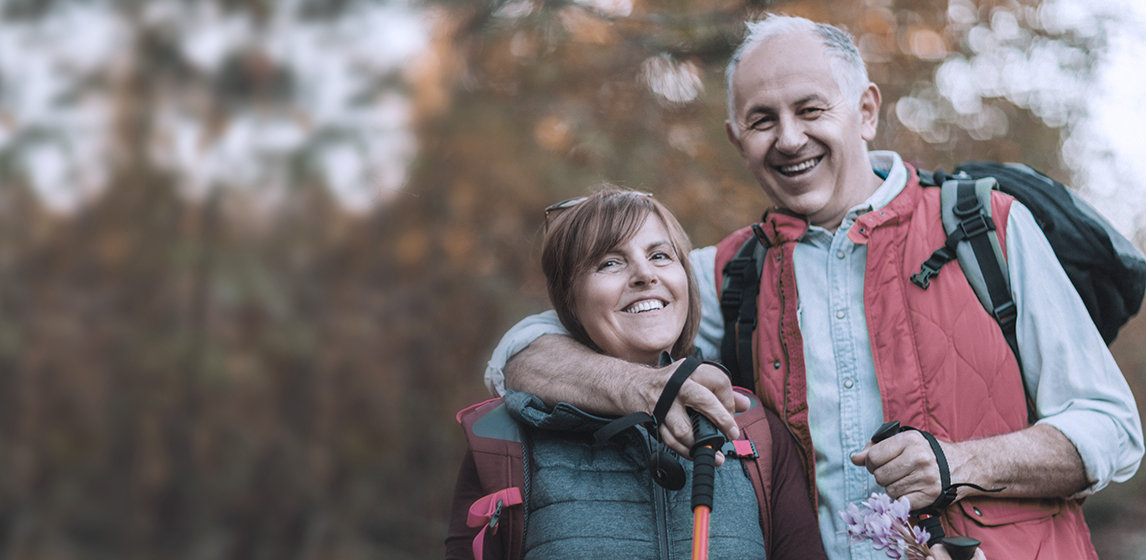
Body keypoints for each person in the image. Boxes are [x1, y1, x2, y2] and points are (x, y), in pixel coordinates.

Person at [482, 15, 1142, 560]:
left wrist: (957, 464)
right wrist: (643, 387)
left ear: (865, 110)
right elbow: (523, 353)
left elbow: (1112, 428)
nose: (790, 138)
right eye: (763, 120)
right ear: (737, 140)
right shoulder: (727, 274)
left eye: (811, 109)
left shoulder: (986, 229)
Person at [446, 189, 827, 559]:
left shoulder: (758, 432)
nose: (644, 274)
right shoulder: (503, 441)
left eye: (660, 255)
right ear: (570, 303)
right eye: (609, 262)